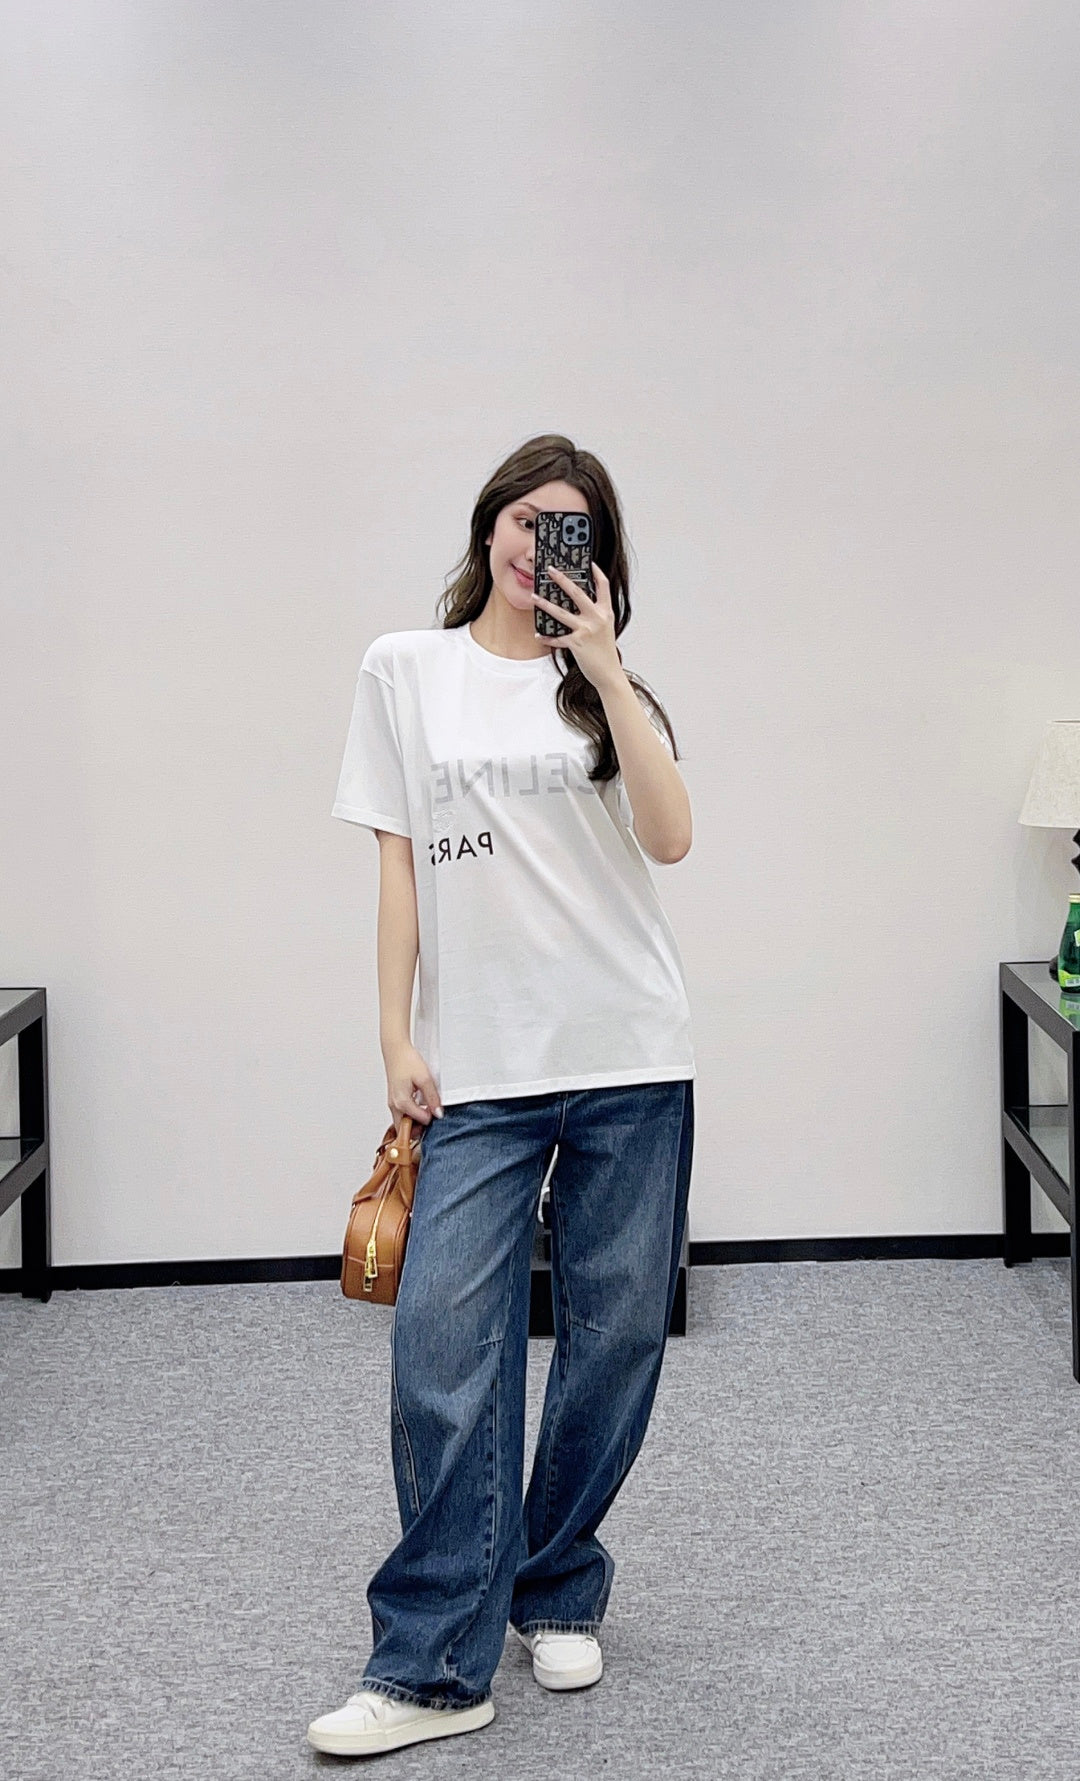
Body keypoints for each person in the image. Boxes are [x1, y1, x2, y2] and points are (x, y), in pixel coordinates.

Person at [308, 433, 696, 1758]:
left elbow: (671, 838)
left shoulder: (606, 692)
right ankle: (430, 1667)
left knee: (615, 1339)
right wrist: (394, 1034)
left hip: (630, 1054)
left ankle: (556, 1580)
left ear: (601, 558)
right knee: (442, 1352)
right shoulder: (405, 671)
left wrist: (608, 670)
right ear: (488, 528)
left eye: (572, 530)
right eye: (529, 520)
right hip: (481, 1066)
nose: (543, 546)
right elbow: (400, 865)